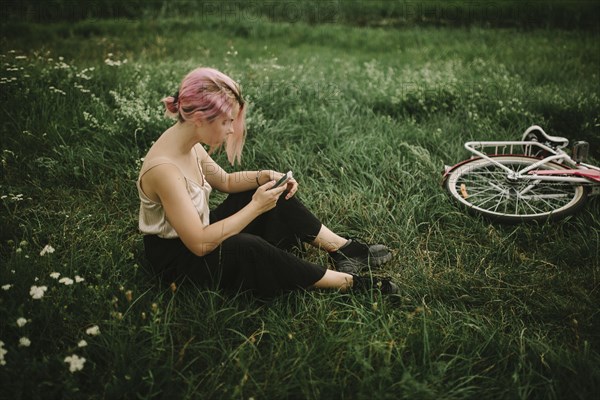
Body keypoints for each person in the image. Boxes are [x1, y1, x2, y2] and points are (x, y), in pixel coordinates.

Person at [137, 67, 398, 297]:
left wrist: (265, 177)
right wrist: (256, 207)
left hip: (197, 235)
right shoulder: (165, 170)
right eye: (226, 121)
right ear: (198, 119)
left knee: (264, 190)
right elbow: (199, 244)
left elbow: (224, 181)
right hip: (179, 260)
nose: (230, 130)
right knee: (246, 247)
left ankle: (344, 251)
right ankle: (348, 283)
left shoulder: (188, 141)